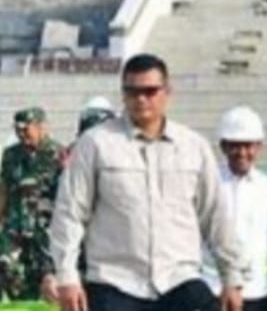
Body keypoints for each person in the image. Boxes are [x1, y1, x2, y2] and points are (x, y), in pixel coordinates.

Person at [47, 53, 247, 311]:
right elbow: (70, 213)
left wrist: (232, 277)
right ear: (123, 94)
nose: (141, 99)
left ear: (167, 92)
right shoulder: (96, 144)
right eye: (132, 92)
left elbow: (216, 216)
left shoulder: (193, 147)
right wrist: (67, 276)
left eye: (150, 91)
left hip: (178, 281)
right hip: (115, 284)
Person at [209, 107, 267, 311]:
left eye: (248, 146)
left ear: (259, 147)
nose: (242, 153)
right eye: (235, 146)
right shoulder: (209, 184)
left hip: (256, 291)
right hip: (214, 287)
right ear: (223, 146)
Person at [0, 107, 62, 300]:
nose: (22, 134)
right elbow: (4, 188)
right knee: (9, 269)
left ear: (40, 127)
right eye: (18, 130)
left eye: (26, 129)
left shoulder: (57, 153)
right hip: (16, 225)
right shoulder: (11, 155)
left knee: (46, 274)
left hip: (45, 227)